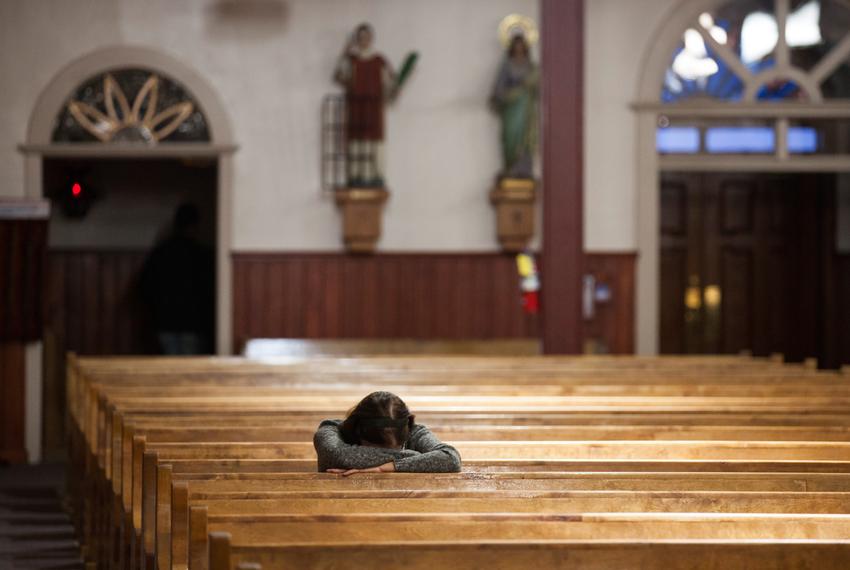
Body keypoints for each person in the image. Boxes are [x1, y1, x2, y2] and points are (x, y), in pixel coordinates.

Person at [313, 391, 462, 475]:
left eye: (397, 448)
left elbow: (450, 459)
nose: (385, 454)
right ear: (359, 432)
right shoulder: (330, 431)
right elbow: (334, 455)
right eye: (374, 450)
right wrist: (417, 458)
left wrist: (385, 467)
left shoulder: (415, 432)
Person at [140, 202, 214, 355]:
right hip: (193, 322)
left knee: (170, 367)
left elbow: (146, 285)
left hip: (165, 321)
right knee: (189, 370)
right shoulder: (202, 255)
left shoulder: (161, 253)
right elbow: (209, 290)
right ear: (195, 226)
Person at [334, 23, 397, 188]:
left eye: (367, 37)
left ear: (372, 38)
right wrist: (345, 52)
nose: (364, 40)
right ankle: (356, 176)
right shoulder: (352, 60)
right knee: (357, 141)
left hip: (374, 110)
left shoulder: (379, 60)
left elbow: (391, 84)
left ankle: (376, 175)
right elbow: (339, 76)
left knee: (375, 142)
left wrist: (393, 88)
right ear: (357, 40)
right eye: (360, 37)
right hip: (356, 109)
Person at [491, 33, 539, 179]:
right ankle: (510, 167)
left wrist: (531, 86)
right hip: (511, 109)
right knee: (510, 137)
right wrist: (508, 95)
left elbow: (538, 91)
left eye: (521, 44)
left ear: (525, 47)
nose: (519, 47)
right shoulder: (507, 66)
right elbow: (498, 89)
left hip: (526, 110)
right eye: (516, 44)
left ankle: (524, 170)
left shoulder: (532, 67)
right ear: (512, 47)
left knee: (524, 140)